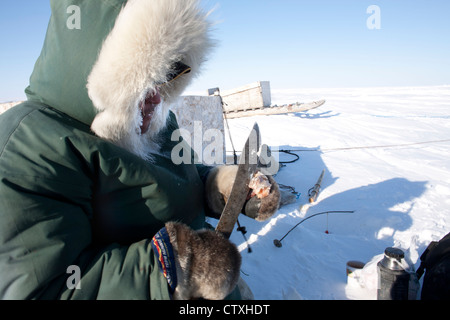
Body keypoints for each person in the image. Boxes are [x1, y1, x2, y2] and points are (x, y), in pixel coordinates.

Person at [0, 0, 280, 300]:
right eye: (143, 81)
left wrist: (223, 187)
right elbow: (49, 288)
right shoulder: (27, 146)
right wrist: (177, 268)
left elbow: (182, 175)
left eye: (165, 78)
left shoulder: (155, 119)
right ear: (103, 73)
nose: (157, 99)